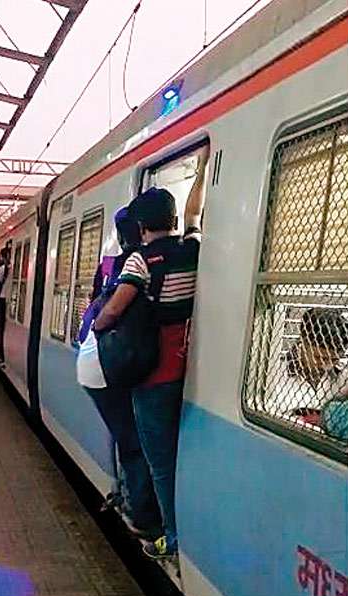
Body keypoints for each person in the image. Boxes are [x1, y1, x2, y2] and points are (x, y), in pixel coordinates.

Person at [95, 147, 210, 559]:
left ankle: (173, 537)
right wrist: (202, 171)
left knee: (159, 460)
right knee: (180, 450)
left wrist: (99, 325)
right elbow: (196, 219)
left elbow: (114, 308)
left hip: (154, 371)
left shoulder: (141, 262)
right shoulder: (193, 249)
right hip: (188, 361)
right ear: (174, 220)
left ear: (142, 226)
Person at [76, 207, 162, 541]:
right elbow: (111, 311)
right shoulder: (141, 263)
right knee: (132, 442)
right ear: (140, 231)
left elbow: (96, 302)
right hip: (116, 365)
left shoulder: (108, 265)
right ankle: (138, 509)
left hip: (101, 363)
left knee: (123, 433)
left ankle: (124, 492)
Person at [284, 308, 348, 442]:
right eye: (320, 357)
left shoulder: (346, 376)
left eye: (334, 359)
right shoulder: (279, 372)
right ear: (303, 342)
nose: (328, 365)